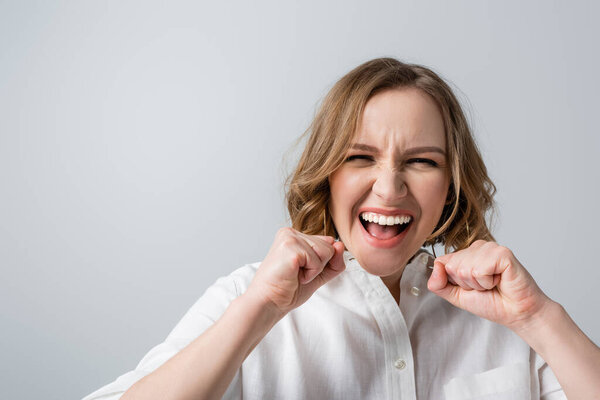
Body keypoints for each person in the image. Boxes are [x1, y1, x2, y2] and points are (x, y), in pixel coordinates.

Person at [83, 58, 600, 400]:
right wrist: (258, 312)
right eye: (360, 157)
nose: (389, 187)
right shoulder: (246, 298)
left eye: (421, 161)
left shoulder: (507, 320)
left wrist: (538, 317)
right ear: (327, 176)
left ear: (452, 187)